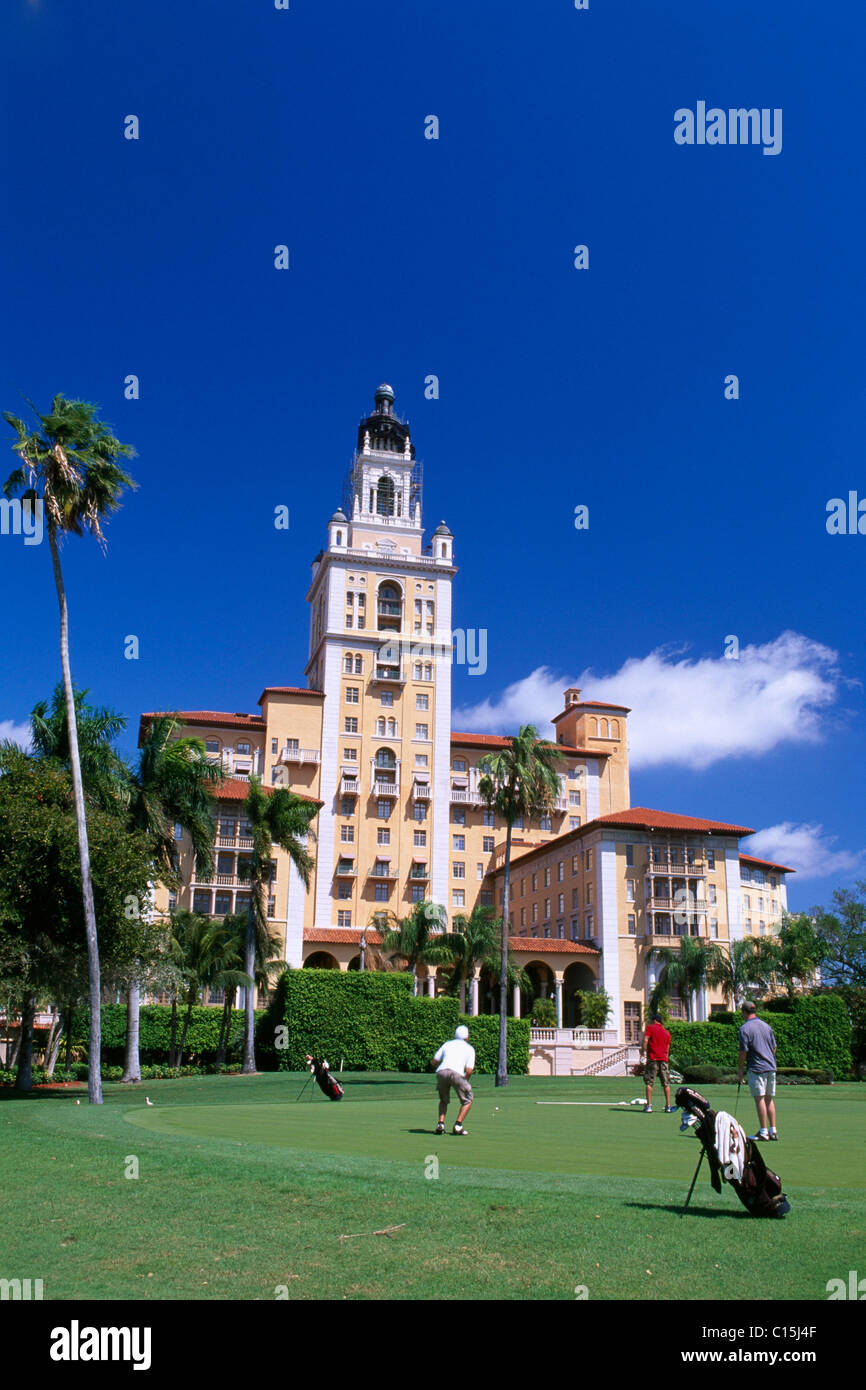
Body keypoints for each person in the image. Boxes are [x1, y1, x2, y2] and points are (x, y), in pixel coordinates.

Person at [737, 1001, 778, 1141]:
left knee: (759, 1098)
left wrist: (740, 1069)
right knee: (768, 1099)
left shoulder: (744, 1028)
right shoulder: (766, 1026)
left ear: (744, 1012)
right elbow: (774, 1047)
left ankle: (763, 1132)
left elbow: (743, 1051)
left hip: (757, 1068)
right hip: (771, 1066)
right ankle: (773, 1131)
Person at [432, 1024, 475, 1136]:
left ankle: (440, 1124)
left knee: (443, 1100)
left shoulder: (447, 1044)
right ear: (466, 1037)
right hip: (457, 1073)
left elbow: (435, 1060)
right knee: (468, 1099)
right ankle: (458, 1125)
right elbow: (469, 1070)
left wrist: (438, 1068)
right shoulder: (469, 1048)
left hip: (441, 1071)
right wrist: (465, 1080)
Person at [641, 1012, 675, 1113]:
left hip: (653, 1058)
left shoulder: (651, 1028)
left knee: (649, 1082)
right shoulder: (666, 1033)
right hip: (664, 1059)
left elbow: (646, 1040)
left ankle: (649, 1106)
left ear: (655, 1021)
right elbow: (667, 1049)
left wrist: (643, 1051)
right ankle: (668, 1106)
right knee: (666, 1083)